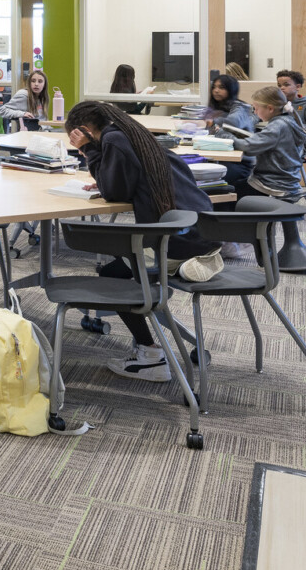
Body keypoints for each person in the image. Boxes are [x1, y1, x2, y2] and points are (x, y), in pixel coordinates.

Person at [65, 101, 223, 383]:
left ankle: (150, 356)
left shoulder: (112, 139)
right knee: (121, 267)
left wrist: (89, 151)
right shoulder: (132, 133)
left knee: (113, 274)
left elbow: (115, 192)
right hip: (198, 231)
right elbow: (126, 181)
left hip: (177, 242)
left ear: (85, 130)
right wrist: (103, 177)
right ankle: (149, 346)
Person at [231, 86, 306, 203]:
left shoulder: (277, 126)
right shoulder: (288, 120)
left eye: (256, 109)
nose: (255, 112)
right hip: (287, 179)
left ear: (270, 108)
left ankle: (254, 219)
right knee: (238, 183)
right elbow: (262, 140)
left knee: (231, 192)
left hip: (272, 182)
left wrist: (229, 139)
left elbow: (249, 147)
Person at [205, 74, 256, 187]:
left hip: (239, 163)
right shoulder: (215, 107)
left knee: (205, 179)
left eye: (221, 87)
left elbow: (233, 123)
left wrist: (212, 121)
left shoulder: (240, 107)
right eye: (214, 87)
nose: (216, 91)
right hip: (219, 156)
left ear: (231, 90)